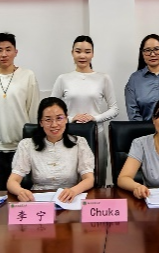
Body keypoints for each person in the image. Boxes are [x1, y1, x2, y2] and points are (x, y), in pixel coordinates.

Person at [51, 35, 119, 184]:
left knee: (97, 177)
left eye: (87, 52)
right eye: (78, 51)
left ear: (93, 54)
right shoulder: (63, 79)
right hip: (69, 135)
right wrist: (70, 118)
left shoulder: (103, 78)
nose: (82, 56)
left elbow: (114, 109)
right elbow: (51, 110)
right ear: (72, 53)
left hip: (96, 134)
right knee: (70, 177)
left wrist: (95, 118)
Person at [0, 32, 40, 190]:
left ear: (15, 52)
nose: (4, 54)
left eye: (8, 49)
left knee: (23, 194)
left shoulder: (28, 76)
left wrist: (33, 143)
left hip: (22, 147)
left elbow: (33, 111)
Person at [7, 97, 95, 202]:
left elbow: (89, 179)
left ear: (66, 119)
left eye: (59, 118)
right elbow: (12, 181)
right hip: (38, 200)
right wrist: (20, 191)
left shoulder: (79, 143)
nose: (54, 124)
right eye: (48, 119)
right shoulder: (27, 145)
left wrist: (73, 191)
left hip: (70, 198)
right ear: (41, 122)